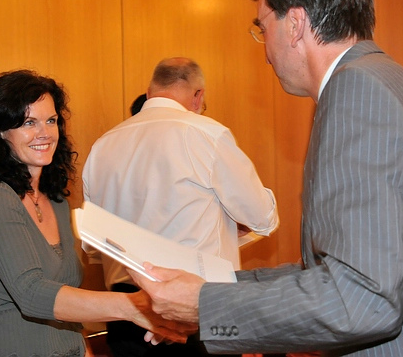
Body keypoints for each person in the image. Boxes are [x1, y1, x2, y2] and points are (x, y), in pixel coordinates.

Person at [128, 0, 403, 356]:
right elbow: (337, 273)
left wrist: (206, 306)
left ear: (295, 23)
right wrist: (211, 290)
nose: (265, 52)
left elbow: (362, 299)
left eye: (262, 28)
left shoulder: (357, 92)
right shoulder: (386, 79)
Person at [0, 70, 191, 357]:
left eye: (51, 121)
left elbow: (65, 302)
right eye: (29, 122)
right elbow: (32, 293)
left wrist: (83, 349)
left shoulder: (55, 200)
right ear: (0, 132)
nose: (44, 132)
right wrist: (134, 306)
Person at [82, 57, 279, 356]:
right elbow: (262, 217)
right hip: (194, 307)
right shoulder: (206, 134)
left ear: (149, 93)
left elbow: (94, 248)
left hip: (126, 312)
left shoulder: (102, 145)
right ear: (198, 96)